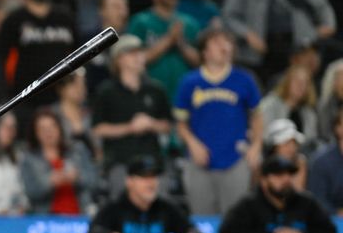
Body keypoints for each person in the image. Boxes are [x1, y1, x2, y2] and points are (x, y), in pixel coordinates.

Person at [174, 27, 263, 215]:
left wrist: (256, 145)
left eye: (227, 42)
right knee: (202, 219)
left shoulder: (244, 79)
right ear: (205, 52)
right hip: (199, 162)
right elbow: (180, 123)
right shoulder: (189, 82)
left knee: (234, 221)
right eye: (216, 42)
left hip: (235, 159)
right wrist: (193, 144)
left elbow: (257, 116)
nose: (224, 46)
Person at [222, 0, 336, 86]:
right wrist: (247, 34)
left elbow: (321, 4)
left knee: (289, 89)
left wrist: (327, 25)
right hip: (257, 51)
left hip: (294, 48)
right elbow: (229, 15)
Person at [0, 0, 76, 129]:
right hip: (25, 100)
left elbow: (77, 55)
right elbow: (0, 60)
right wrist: (6, 97)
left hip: (61, 100)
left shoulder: (65, 17)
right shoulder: (14, 20)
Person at [92, 34, 172, 199]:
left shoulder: (156, 89)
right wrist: (130, 127)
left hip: (153, 162)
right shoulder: (106, 92)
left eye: (140, 52)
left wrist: (151, 124)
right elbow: (98, 129)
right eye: (131, 53)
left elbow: (168, 125)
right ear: (119, 60)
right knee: (121, 208)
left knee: (162, 204)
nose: (138, 57)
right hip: (121, 162)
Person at [127, 0, 200, 102]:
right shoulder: (140, 22)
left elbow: (201, 63)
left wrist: (181, 44)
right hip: (150, 96)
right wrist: (168, 40)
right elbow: (132, 61)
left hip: (186, 96)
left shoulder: (190, 24)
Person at [21, 107, 97, 214]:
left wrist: (77, 178)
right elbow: (29, 193)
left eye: (52, 126)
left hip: (80, 215)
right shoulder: (29, 159)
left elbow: (94, 181)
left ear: (60, 128)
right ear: (35, 133)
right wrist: (50, 182)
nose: (48, 132)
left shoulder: (78, 151)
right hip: (46, 218)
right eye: (42, 128)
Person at [259, 64, 319, 149]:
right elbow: (265, 137)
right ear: (287, 82)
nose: (300, 86)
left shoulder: (309, 113)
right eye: (297, 81)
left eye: (305, 83)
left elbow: (311, 141)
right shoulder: (270, 105)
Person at [308, 109, 343, 217]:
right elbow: (317, 200)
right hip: (332, 221)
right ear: (338, 128)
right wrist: (337, 213)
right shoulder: (321, 162)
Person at [263, 118, 307, 190]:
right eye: (286, 143)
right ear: (274, 147)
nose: (291, 148)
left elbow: (298, 191)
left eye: (294, 143)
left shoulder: (300, 162)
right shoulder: (263, 166)